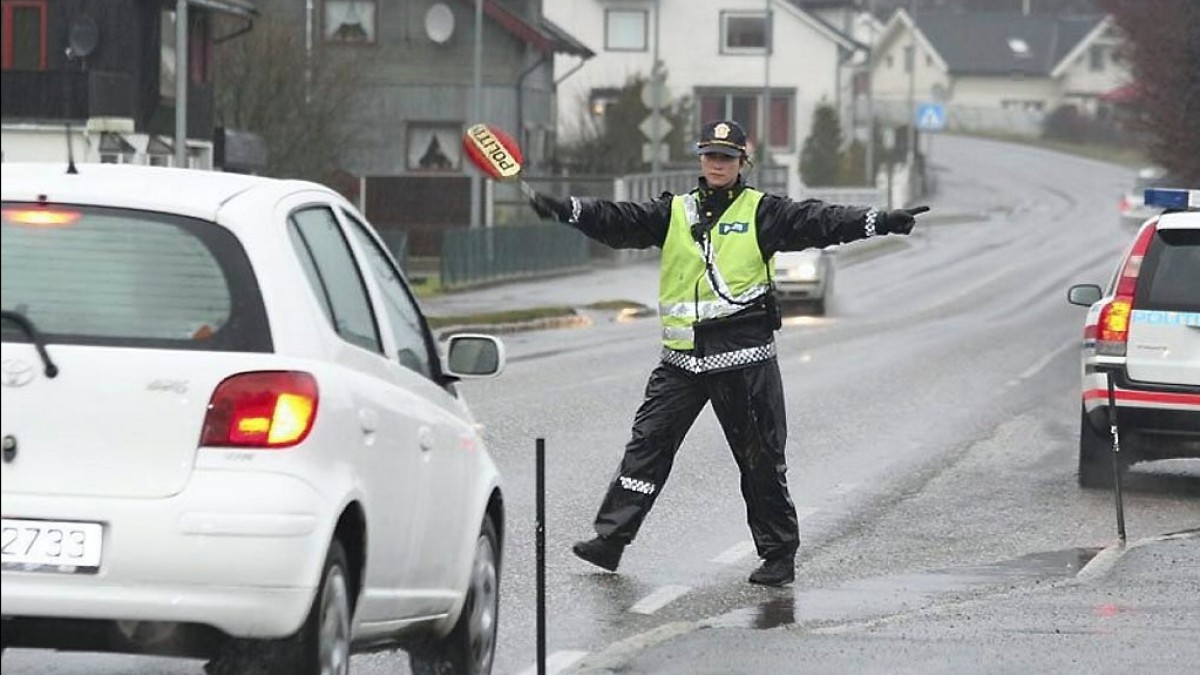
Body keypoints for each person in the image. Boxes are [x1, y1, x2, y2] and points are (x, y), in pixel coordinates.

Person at [528, 120, 928, 587]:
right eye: (710, 156)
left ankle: (778, 555)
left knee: (759, 461)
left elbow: (819, 220)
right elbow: (620, 221)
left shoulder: (764, 212)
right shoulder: (675, 211)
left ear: (742, 163)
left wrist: (879, 220)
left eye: (726, 157)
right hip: (682, 361)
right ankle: (611, 540)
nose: (717, 164)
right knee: (645, 450)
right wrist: (567, 210)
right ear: (700, 160)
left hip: (744, 360)